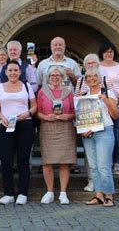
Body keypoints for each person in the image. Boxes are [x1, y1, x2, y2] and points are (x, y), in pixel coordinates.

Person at [0, 60, 37, 205]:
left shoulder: (26, 86)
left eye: (15, 70)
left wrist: (27, 113)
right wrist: (2, 117)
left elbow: (35, 106)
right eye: (10, 70)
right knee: (6, 159)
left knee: (23, 159)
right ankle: (9, 193)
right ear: (5, 72)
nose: (13, 73)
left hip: (24, 124)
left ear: (20, 72)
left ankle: (23, 193)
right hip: (6, 125)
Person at [37, 65, 76, 205]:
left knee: (64, 161)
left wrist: (67, 116)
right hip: (48, 128)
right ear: (48, 77)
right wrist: (46, 117)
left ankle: (63, 193)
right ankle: (49, 192)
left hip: (65, 128)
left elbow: (73, 111)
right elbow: (38, 112)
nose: (54, 78)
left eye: (57, 75)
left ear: (62, 77)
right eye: (52, 75)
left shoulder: (68, 92)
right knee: (47, 161)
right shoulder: (42, 92)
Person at [80, 68, 119, 207]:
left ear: (100, 78)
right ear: (85, 80)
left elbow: (115, 115)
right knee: (93, 166)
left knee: (103, 165)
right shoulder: (83, 95)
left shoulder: (108, 93)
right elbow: (81, 118)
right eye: (88, 76)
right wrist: (82, 130)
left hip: (104, 131)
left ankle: (109, 195)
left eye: (95, 75)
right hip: (88, 134)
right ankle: (98, 195)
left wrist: (107, 101)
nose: (91, 78)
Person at [98, 41, 119, 175]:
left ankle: (116, 164)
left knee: (115, 134)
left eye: (111, 51)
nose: (109, 54)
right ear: (102, 53)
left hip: (117, 105)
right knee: (102, 135)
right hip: (101, 106)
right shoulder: (97, 67)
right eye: (106, 51)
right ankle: (104, 164)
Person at [75, 53, 102, 192]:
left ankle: (103, 182)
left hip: (102, 122)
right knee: (89, 153)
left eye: (93, 63)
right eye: (88, 63)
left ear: (98, 64)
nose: (91, 65)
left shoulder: (105, 80)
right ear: (84, 66)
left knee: (103, 154)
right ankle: (91, 180)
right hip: (87, 121)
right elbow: (77, 100)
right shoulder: (80, 81)